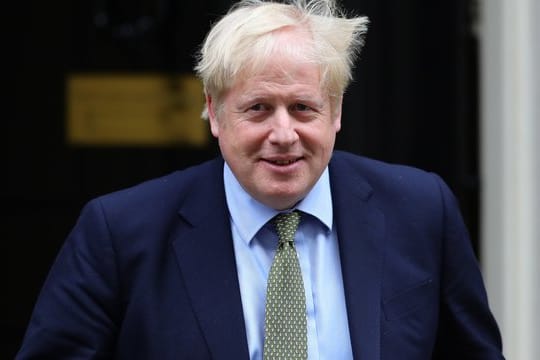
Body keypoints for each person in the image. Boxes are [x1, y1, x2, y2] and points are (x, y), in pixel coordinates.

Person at [17, 0, 504, 359]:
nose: (284, 134)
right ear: (213, 112)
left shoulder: (420, 210)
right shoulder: (121, 232)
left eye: (302, 108)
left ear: (335, 112)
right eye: (258, 109)